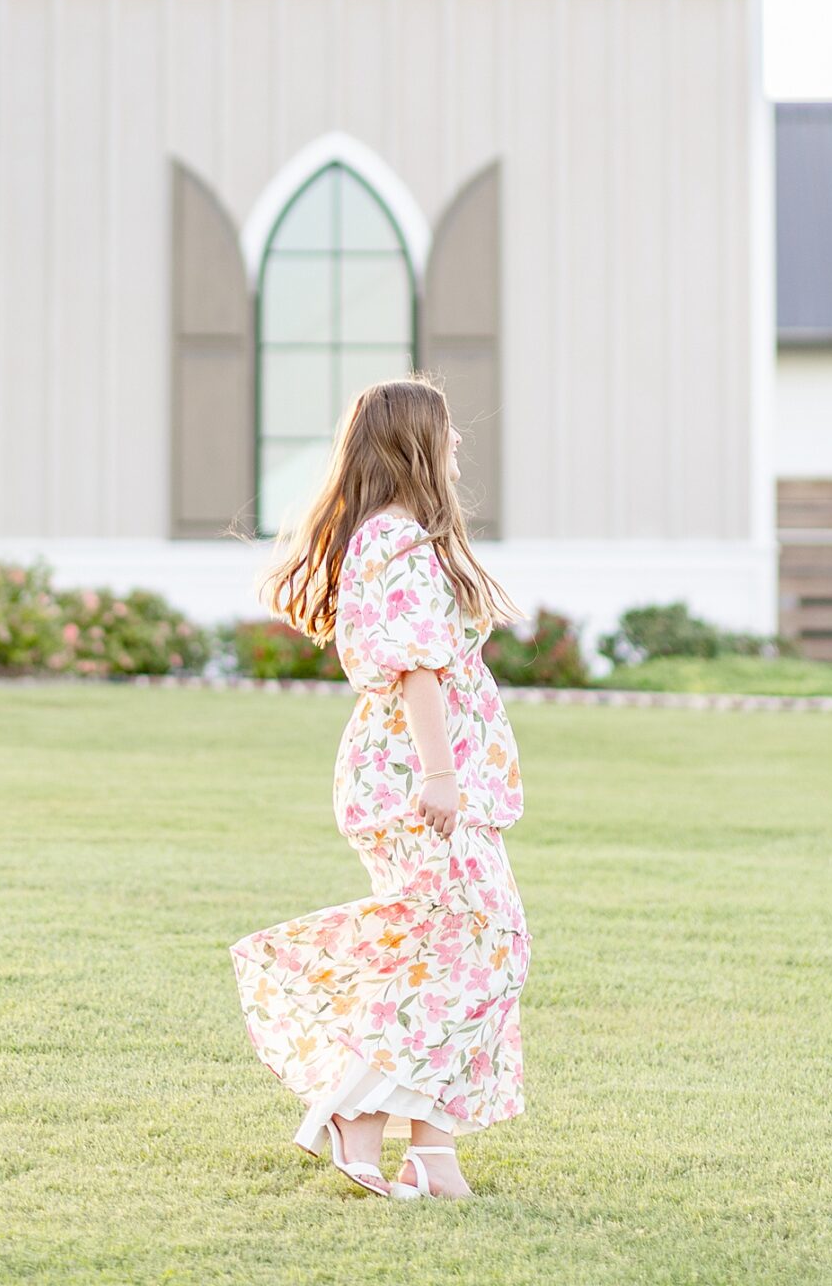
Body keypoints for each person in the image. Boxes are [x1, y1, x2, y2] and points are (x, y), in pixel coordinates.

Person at [230, 377, 530, 1201]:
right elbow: (417, 669)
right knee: (486, 943)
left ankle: (429, 1151)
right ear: (412, 445)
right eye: (446, 431)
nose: (458, 443)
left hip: (409, 776)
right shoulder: (395, 541)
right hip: (414, 779)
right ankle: (355, 1112)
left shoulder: (391, 538)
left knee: (447, 947)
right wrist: (439, 774)